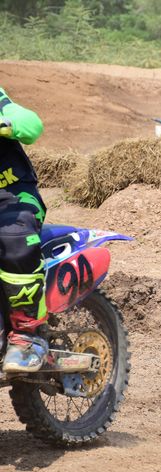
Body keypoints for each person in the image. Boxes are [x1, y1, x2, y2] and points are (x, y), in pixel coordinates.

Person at [0, 87, 49, 372]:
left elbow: (32, 125)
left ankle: (26, 335)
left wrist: (8, 123)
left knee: (14, 238)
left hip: (13, 195)